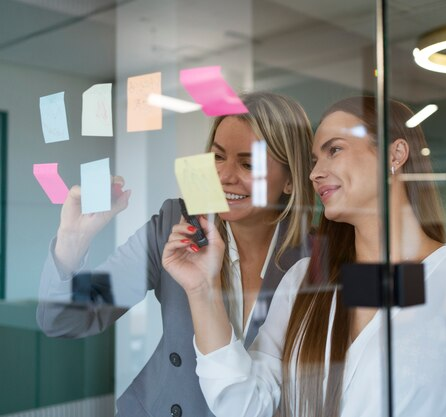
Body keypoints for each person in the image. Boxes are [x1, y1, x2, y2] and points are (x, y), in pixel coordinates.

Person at [166, 97, 446, 417]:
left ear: (394, 154)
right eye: (313, 158)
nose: (314, 172)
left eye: (334, 150)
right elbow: (243, 405)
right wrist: (201, 289)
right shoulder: (304, 282)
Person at [37, 92, 315, 417]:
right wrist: (73, 238)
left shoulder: (313, 259)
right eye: (217, 157)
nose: (225, 175)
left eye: (248, 163)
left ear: (291, 181)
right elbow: (63, 321)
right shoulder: (174, 226)